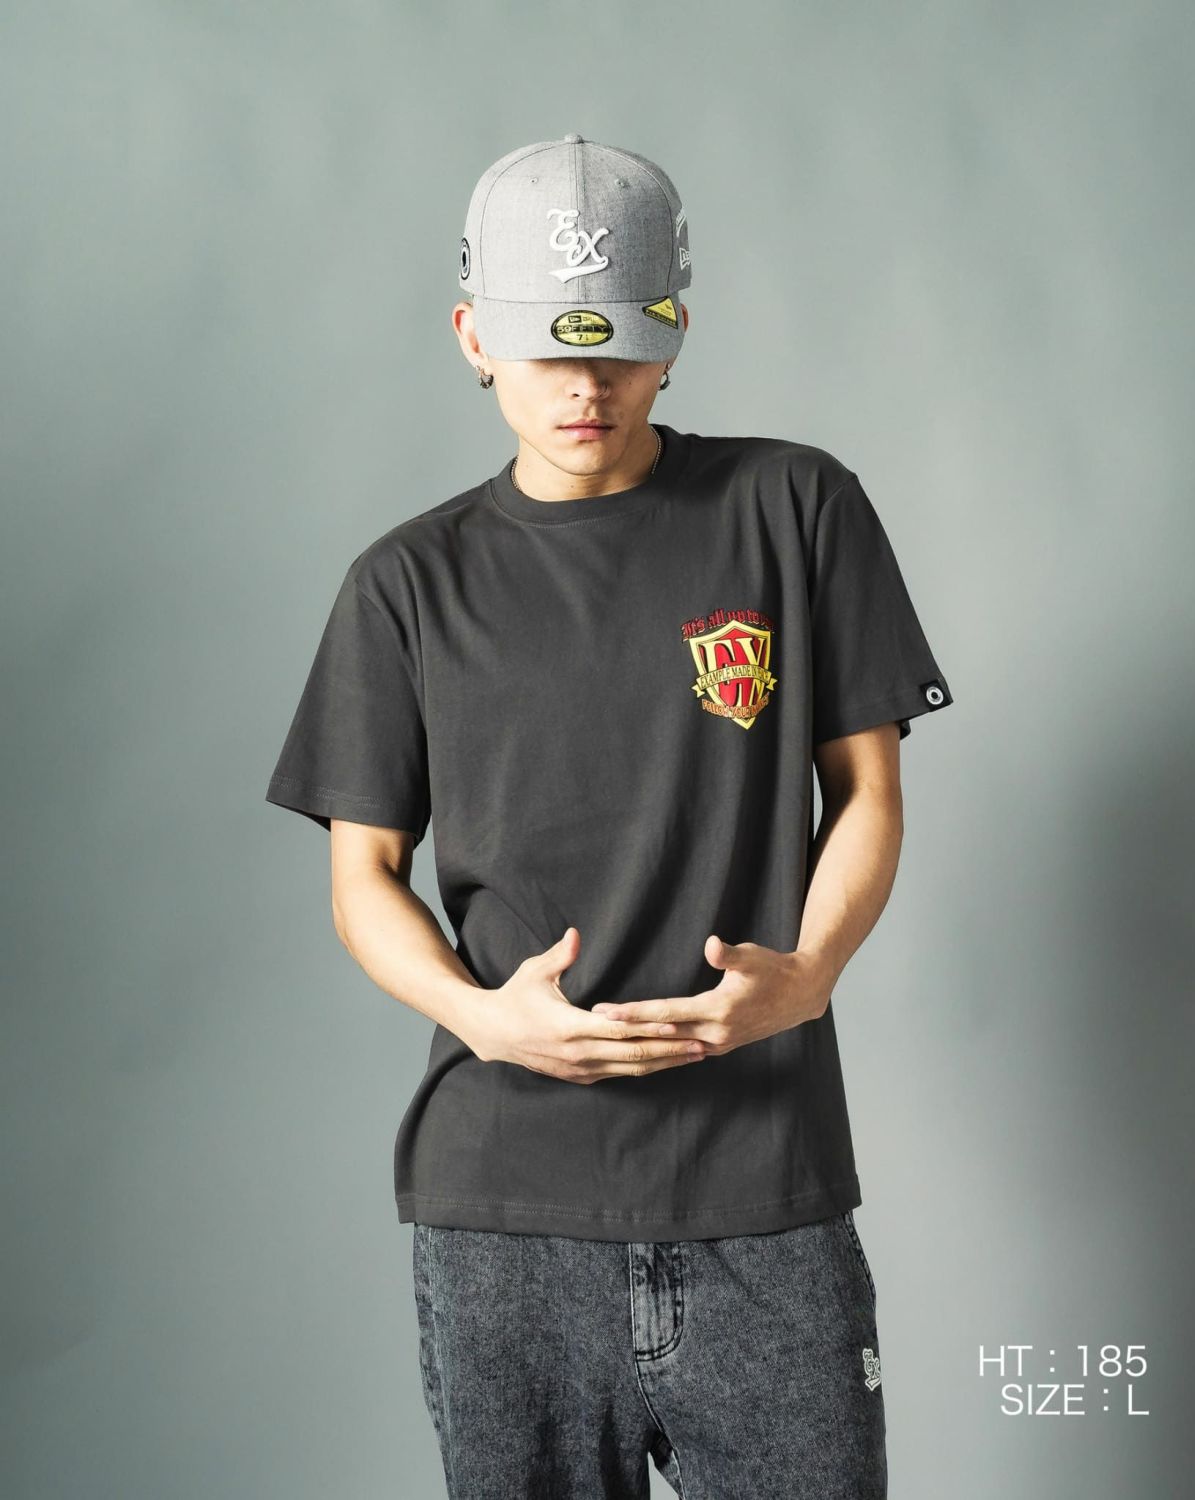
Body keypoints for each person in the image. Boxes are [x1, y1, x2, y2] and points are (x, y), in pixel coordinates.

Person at [265, 132, 954, 1499]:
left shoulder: (796, 507)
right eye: (545, 350)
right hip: (505, 1207)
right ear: (474, 337)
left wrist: (809, 973)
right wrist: (480, 1016)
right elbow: (364, 877)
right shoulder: (404, 586)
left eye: (622, 346)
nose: (586, 387)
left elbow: (869, 791)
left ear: (675, 331)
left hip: (762, 1183)